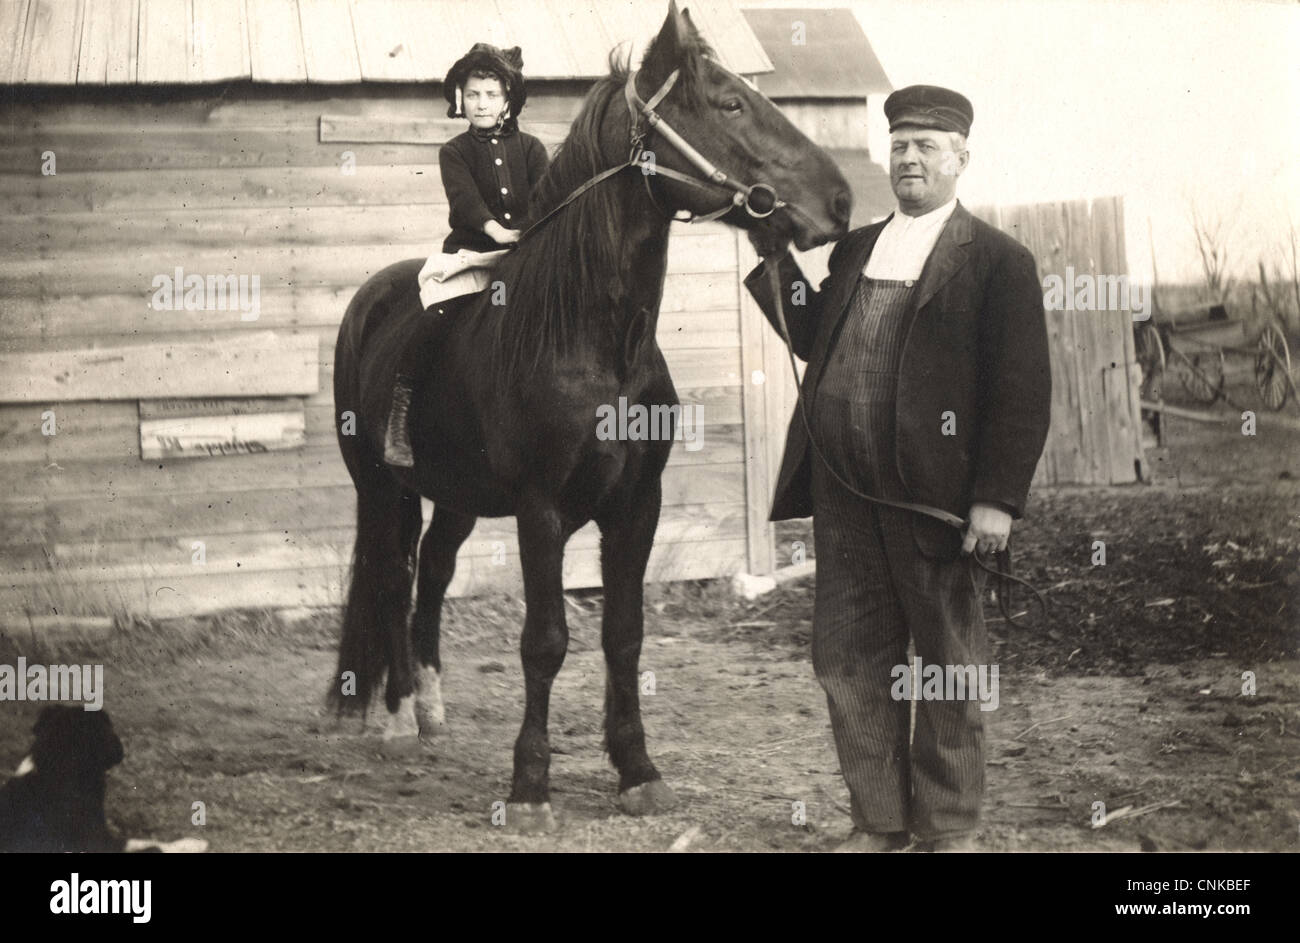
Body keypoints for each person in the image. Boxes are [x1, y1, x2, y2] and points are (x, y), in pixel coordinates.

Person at [745, 86, 1051, 851]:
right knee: (850, 662)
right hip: (844, 496)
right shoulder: (857, 249)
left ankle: (948, 826)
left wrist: (996, 501)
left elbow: (1021, 392)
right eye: (900, 145)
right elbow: (811, 334)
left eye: (927, 146)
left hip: (934, 505)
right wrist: (771, 253)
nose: (909, 159)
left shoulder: (997, 262)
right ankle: (879, 821)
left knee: (948, 664)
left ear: (960, 158)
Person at [384, 43, 550, 467]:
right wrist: (499, 231)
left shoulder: (531, 149)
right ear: (461, 98)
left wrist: (528, 236)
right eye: (474, 94)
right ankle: (400, 418)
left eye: (492, 95)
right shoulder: (454, 152)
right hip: (474, 256)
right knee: (434, 317)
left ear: (508, 101)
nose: (482, 103)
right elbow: (466, 202)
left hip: (526, 256)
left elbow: (544, 198)